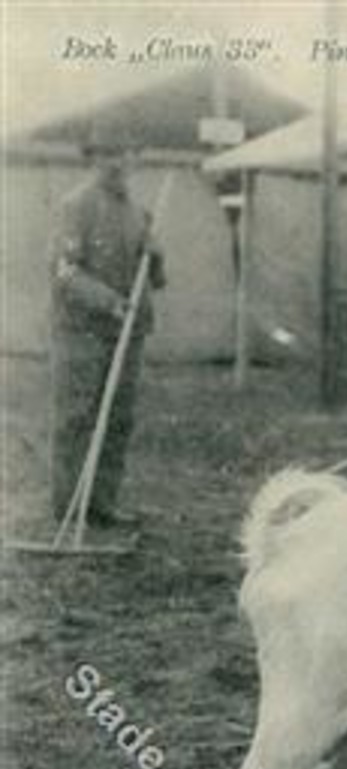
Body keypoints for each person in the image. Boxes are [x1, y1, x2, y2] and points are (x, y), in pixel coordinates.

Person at [49, 118, 165, 530]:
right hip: (82, 331)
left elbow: (155, 281)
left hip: (128, 333)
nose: (116, 163)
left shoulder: (140, 213)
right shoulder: (75, 206)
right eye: (106, 155)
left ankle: (103, 503)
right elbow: (65, 273)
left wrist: (156, 255)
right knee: (77, 418)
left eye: (124, 154)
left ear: (135, 159)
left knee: (116, 420)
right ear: (93, 159)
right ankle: (69, 504)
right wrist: (108, 301)